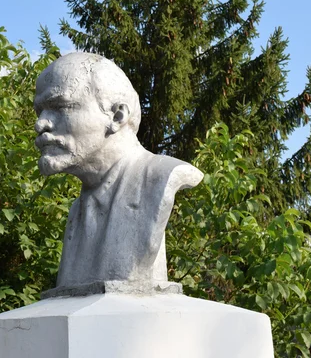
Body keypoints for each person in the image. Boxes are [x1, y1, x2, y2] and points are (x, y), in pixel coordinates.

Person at [34, 52, 203, 293]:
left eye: (60, 107)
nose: (40, 124)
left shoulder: (159, 179)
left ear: (117, 116)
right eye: (39, 111)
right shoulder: (77, 212)